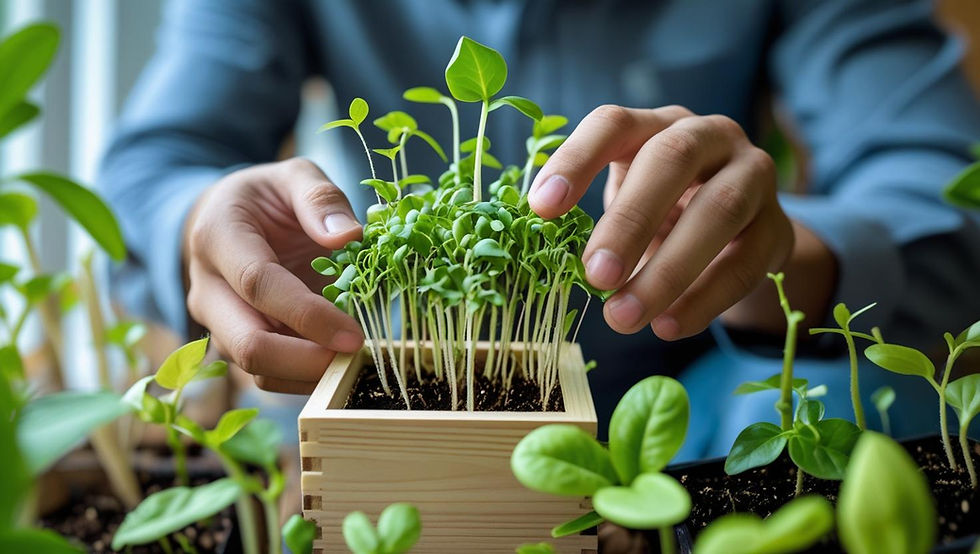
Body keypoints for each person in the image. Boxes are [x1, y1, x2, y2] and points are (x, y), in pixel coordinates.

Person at [99, 0, 980, 459]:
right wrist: (197, 223)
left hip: (692, 393)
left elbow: (945, 193)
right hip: (411, 390)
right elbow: (156, 166)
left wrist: (781, 256)